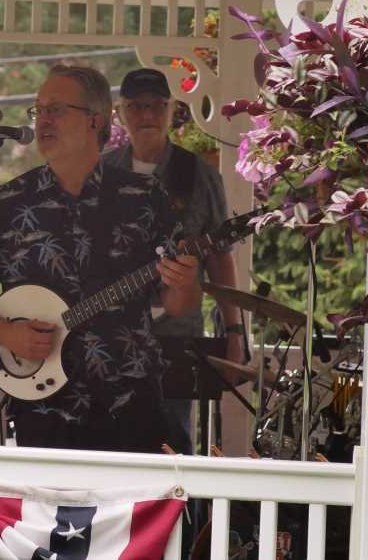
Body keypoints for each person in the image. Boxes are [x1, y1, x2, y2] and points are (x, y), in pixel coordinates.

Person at [0, 65, 200, 452]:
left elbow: (178, 303)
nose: (42, 120)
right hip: (44, 411)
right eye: (38, 110)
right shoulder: (8, 204)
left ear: (95, 120)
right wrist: (7, 334)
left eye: (55, 109)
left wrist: (185, 283)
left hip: (131, 404)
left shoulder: (145, 197)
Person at [103, 68, 247, 451]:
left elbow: (220, 258)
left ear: (172, 110)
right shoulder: (101, 172)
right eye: (136, 106)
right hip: (108, 337)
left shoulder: (198, 175)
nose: (147, 115)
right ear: (120, 113)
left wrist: (234, 331)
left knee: (171, 444)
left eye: (157, 105)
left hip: (175, 335)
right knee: (107, 443)